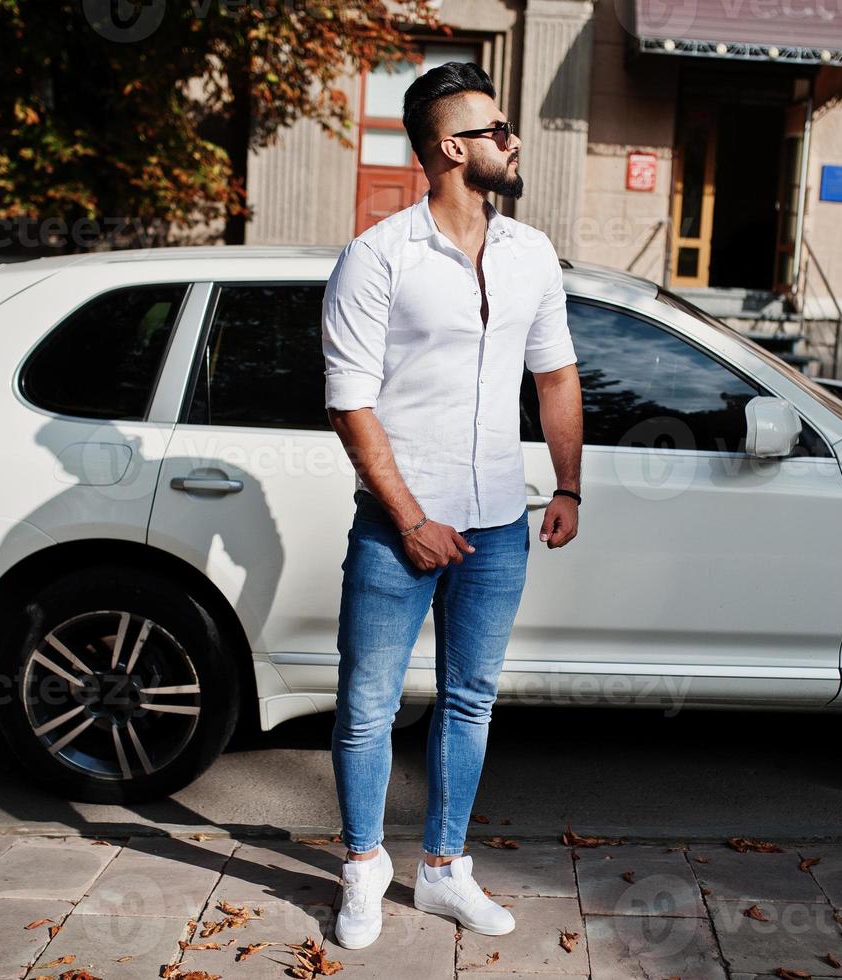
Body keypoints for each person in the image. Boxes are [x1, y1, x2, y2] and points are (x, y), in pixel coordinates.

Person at [320, 60, 584, 950]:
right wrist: (408, 520)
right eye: (498, 130)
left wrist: (569, 482)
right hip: (398, 529)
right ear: (451, 147)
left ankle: (443, 870)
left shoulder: (531, 254)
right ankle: (362, 869)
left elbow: (555, 374)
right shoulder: (377, 256)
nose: (513, 142)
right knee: (367, 705)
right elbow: (349, 401)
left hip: (499, 522)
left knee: (470, 700)